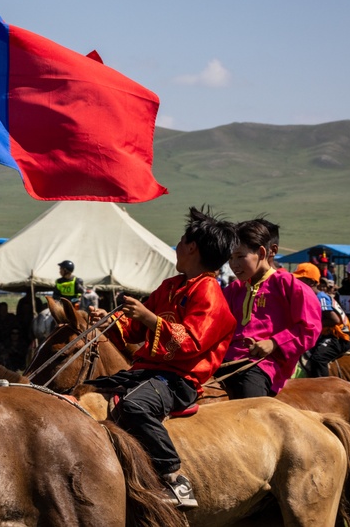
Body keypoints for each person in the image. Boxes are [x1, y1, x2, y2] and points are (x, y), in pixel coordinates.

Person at [87, 206, 238, 509]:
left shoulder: (209, 293)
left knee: (133, 405)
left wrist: (149, 318)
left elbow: (191, 342)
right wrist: (109, 321)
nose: (177, 247)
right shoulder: (170, 286)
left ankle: (174, 477)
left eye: (182, 241)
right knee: (93, 388)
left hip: (178, 379)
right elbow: (132, 330)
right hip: (147, 371)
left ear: (192, 247)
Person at [219, 219, 320, 399]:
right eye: (230, 258)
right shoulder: (234, 290)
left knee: (249, 409)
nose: (233, 264)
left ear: (262, 252)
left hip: (261, 364)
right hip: (225, 360)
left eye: (240, 256)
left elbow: (309, 328)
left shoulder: (290, 286)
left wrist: (274, 343)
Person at [296, 264, 350, 377]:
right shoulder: (312, 296)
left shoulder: (321, 297)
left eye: (301, 280)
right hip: (326, 335)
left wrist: (311, 324)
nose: (297, 284)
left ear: (312, 282)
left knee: (318, 359)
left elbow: (334, 320)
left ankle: (323, 386)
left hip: (338, 337)